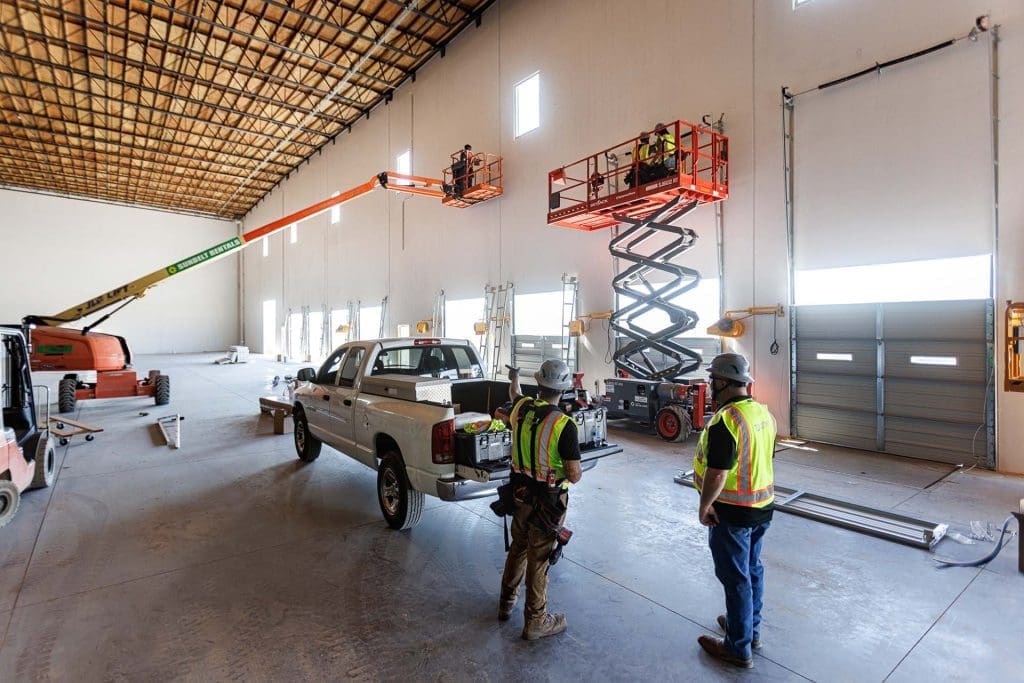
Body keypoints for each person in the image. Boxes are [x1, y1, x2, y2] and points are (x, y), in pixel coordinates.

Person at [693, 352, 776, 669]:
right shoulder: (762, 414)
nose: (711, 385)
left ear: (724, 382)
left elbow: (718, 473)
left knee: (736, 577)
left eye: (713, 379)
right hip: (761, 508)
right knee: (752, 569)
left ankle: (738, 648)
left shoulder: (725, 421)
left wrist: (705, 505)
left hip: (732, 512)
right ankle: (748, 629)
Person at [498, 359, 583, 640]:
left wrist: (513, 376)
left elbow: (514, 393)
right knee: (539, 558)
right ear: (565, 388)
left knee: (518, 548)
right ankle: (535, 620)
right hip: (549, 502)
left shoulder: (521, 409)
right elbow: (574, 473)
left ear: (539, 383)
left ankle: (506, 603)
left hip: (520, 495)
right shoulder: (564, 425)